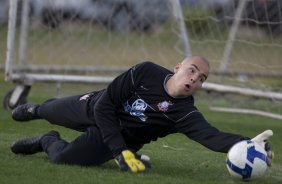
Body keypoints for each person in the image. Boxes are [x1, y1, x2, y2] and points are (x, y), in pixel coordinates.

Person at [10, 56, 274, 173]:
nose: (194, 79)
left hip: (119, 139)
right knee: (49, 110)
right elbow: (105, 106)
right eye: (192, 70)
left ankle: (47, 138)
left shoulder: (184, 113)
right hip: (95, 107)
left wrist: (251, 143)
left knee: (64, 160)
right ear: (178, 67)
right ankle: (36, 109)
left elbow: (211, 137)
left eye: (201, 78)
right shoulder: (146, 71)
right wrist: (118, 152)